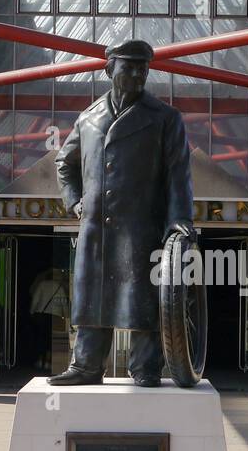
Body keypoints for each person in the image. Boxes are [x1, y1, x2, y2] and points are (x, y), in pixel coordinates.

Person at [52, 38, 194, 387]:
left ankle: (145, 367)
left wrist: (179, 221)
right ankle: (86, 365)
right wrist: (75, 201)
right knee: (91, 297)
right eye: (128, 67)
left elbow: (179, 174)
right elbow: (64, 164)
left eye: (142, 69)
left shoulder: (165, 118)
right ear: (108, 69)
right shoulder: (88, 118)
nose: (136, 75)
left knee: (143, 300)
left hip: (141, 225)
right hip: (96, 227)